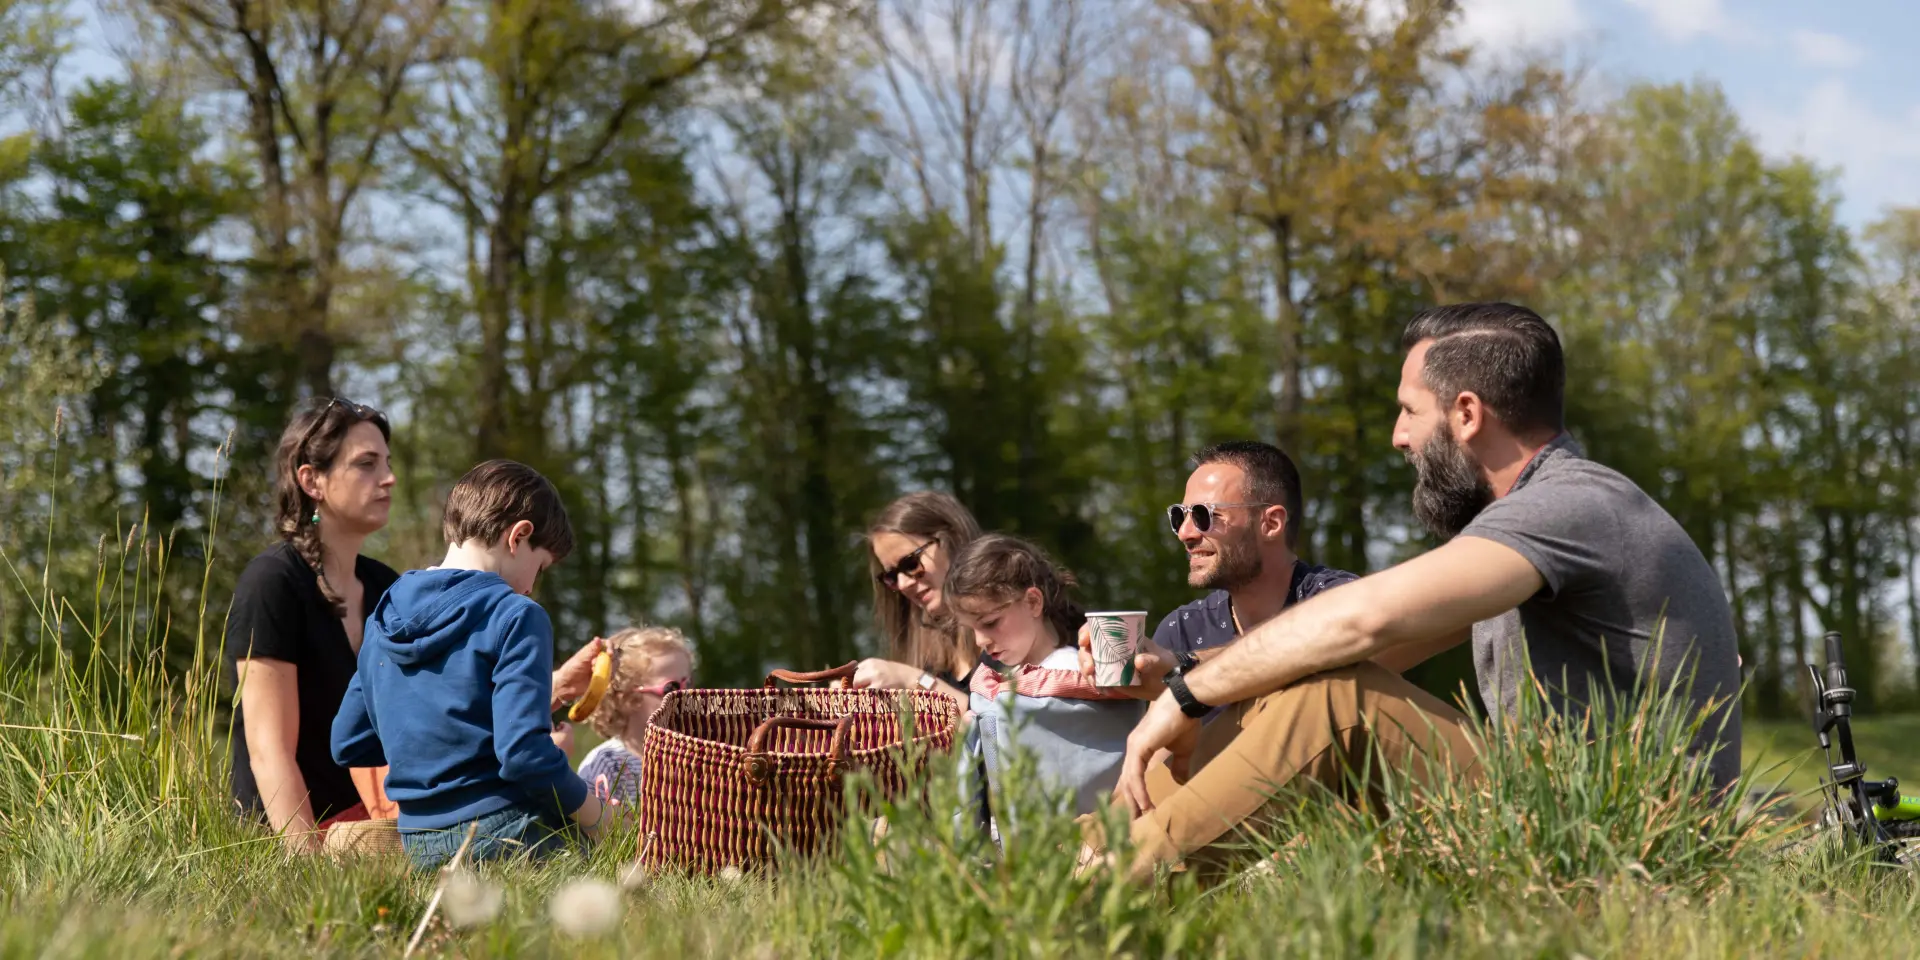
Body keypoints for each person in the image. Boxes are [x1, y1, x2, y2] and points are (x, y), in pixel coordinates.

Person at [1091, 302, 1743, 883]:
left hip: (1631, 850)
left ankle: (1095, 898)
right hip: (1572, 819)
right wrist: (1181, 689)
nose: (1399, 437)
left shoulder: (1569, 505)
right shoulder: (1530, 528)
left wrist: (1187, 694)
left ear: (1466, 413)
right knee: (1288, 688)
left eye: (1408, 411)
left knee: (1337, 700)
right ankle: (1059, 864)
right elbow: (1328, 652)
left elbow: (1364, 622)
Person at [331, 459, 607, 870]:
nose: (532, 586)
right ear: (520, 535)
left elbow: (348, 741)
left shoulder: (384, 616)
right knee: (628, 874)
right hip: (507, 832)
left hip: (419, 842)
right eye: (541, 567)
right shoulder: (516, 614)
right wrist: (597, 815)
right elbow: (524, 755)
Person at [225, 397, 401, 851]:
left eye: (386, 462)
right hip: (285, 842)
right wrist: (308, 872)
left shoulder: (388, 588)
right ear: (312, 480)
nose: (389, 478)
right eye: (366, 464)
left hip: (370, 833)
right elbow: (269, 750)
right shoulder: (273, 583)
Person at [946, 535, 1145, 823]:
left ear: (1033, 602)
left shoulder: (1075, 669)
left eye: (990, 623)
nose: (980, 641)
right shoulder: (1001, 682)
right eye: (971, 629)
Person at [853, 491, 982, 713]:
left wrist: (914, 680)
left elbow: (1000, 734)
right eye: (892, 576)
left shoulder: (1013, 635)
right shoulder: (924, 656)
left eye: (911, 563)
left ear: (953, 541)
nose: (902, 584)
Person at [574, 624, 697, 810]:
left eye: (687, 684)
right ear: (626, 698)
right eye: (671, 689)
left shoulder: (692, 755)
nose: (685, 695)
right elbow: (587, 830)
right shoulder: (607, 763)